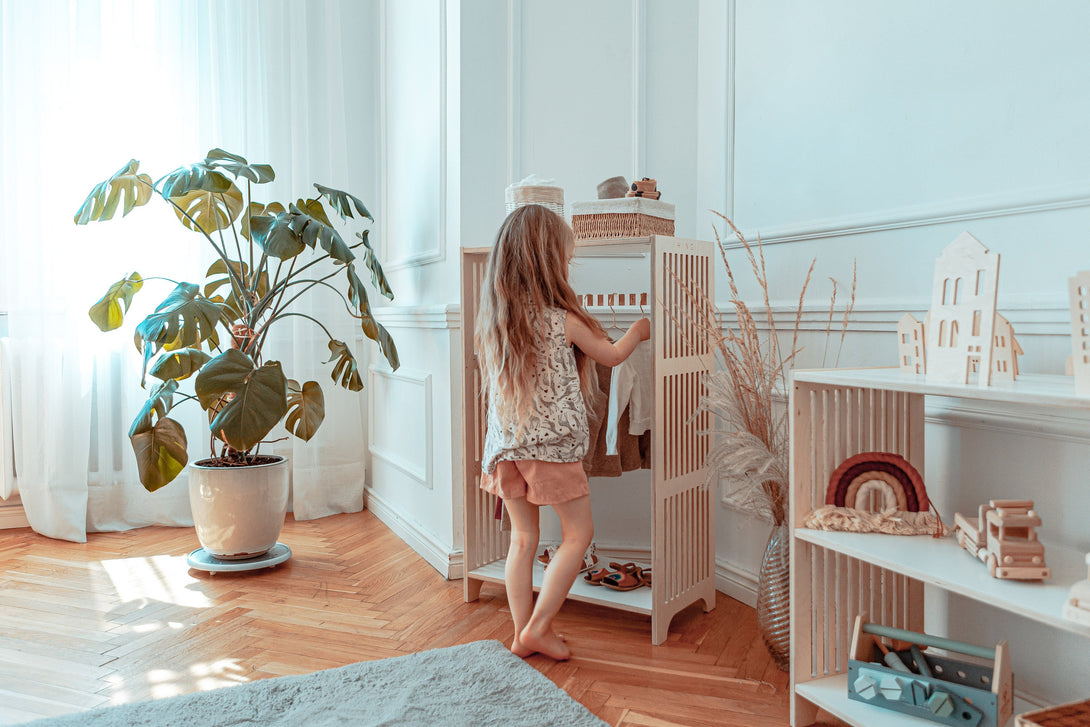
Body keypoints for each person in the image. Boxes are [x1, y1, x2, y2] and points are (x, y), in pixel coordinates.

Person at [475, 204, 651, 660]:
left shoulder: (495, 323)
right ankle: (539, 628)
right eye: (566, 260)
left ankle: (522, 634)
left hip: (504, 450)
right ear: (548, 262)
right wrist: (638, 331)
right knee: (578, 535)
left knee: (521, 541)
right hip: (551, 450)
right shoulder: (561, 320)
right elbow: (612, 356)